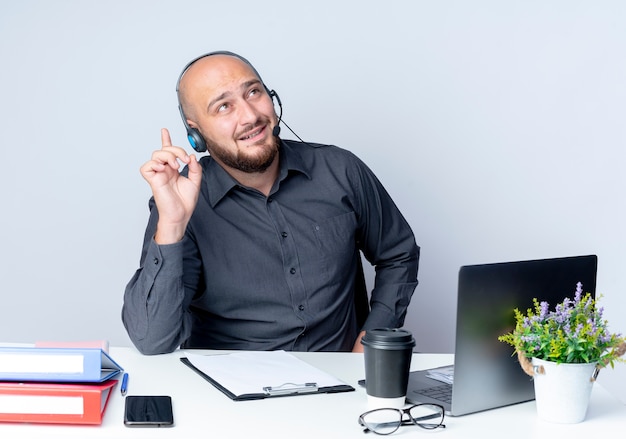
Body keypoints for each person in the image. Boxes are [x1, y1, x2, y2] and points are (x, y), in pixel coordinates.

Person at [122, 51, 419, 355]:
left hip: (342, 387)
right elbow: (153, 340)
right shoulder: (182, 201)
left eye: (254, 92)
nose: (250, 116)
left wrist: (372, 341)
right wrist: (171, 225)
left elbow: (398, 253)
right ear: (195, 132)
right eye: (224, 106)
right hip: (230, 393)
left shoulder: (340, 170)